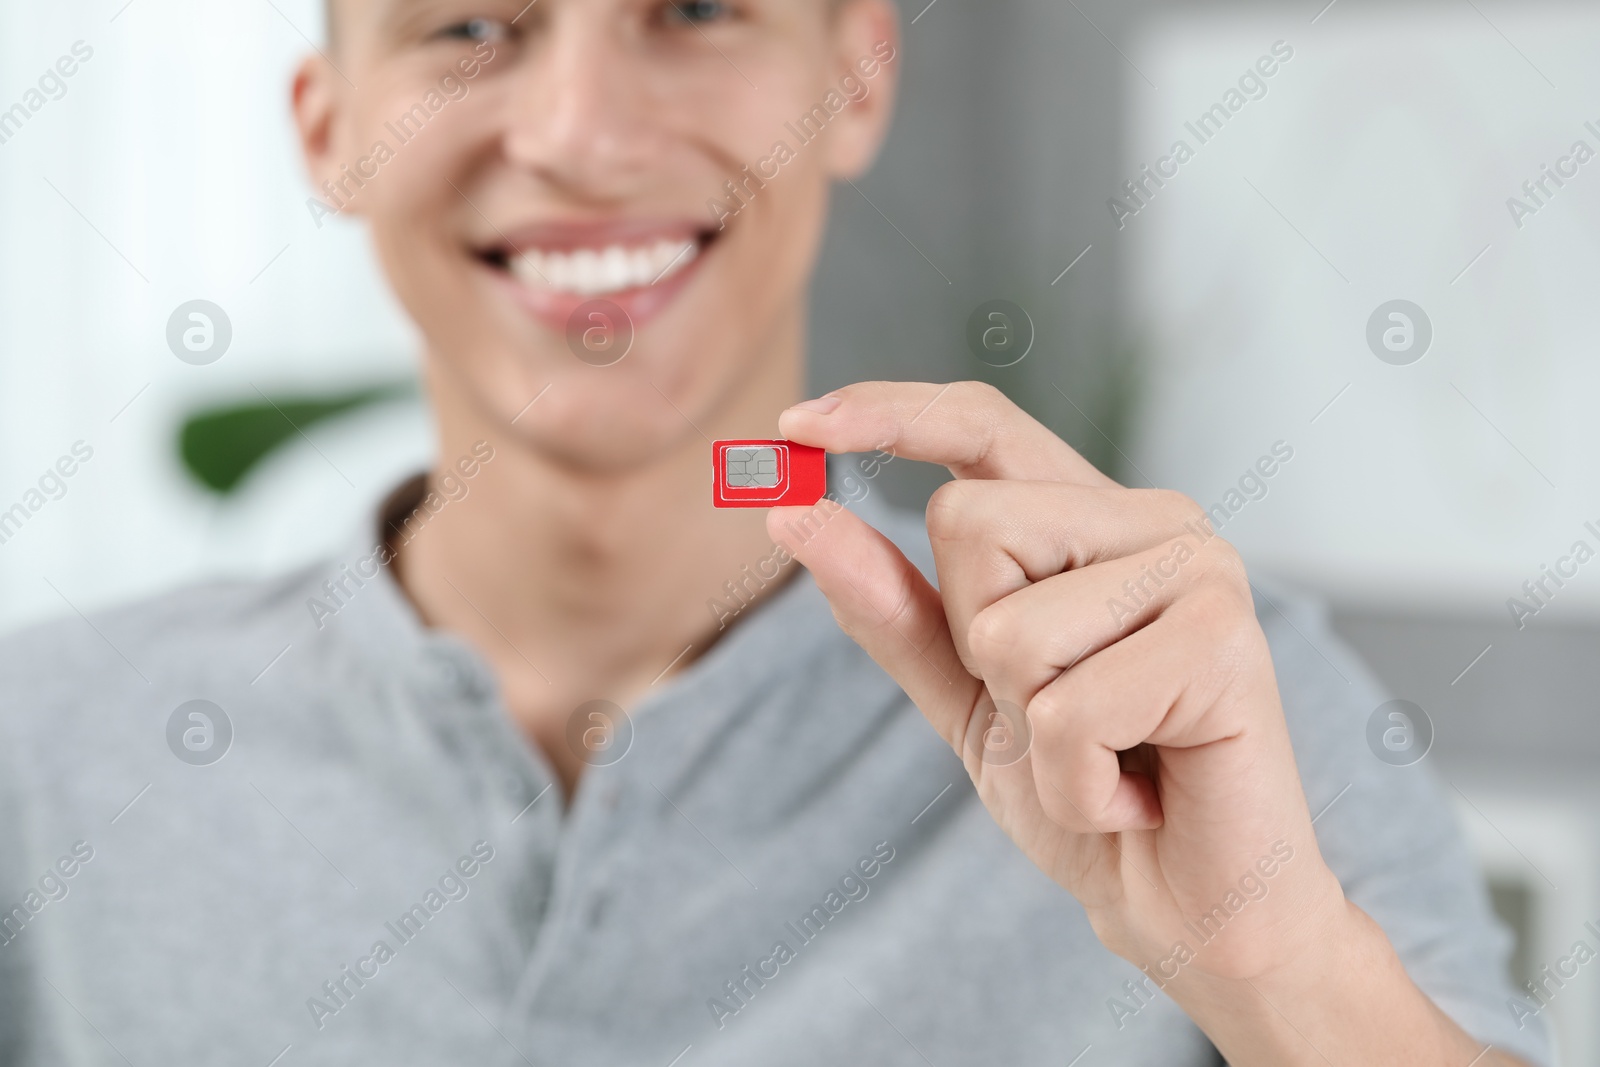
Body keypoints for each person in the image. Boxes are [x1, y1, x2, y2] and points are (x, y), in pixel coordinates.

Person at [0, 1, 1549, 1064]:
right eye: (468, 22)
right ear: (329, 127)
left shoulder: (1209, 718)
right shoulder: (47, 748)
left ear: (859, 71)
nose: (579, 133)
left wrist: (1274, 973)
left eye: (691, 5)